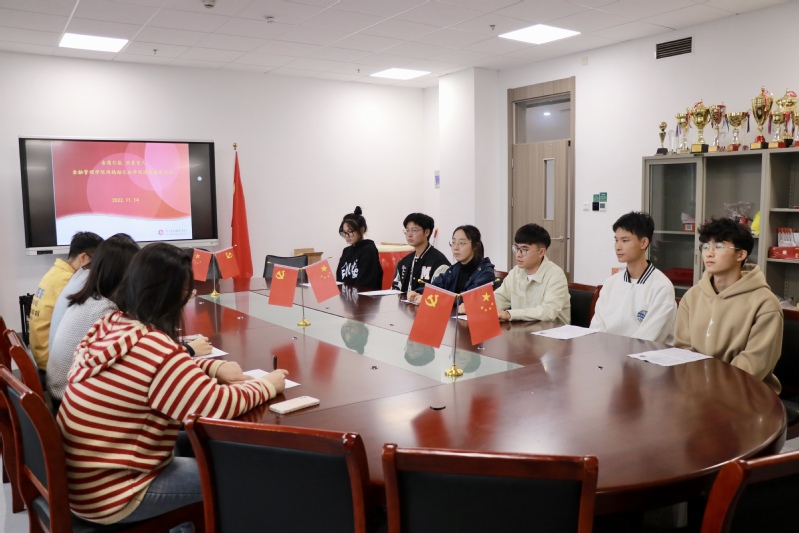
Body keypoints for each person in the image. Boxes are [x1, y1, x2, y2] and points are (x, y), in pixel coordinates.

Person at [57, 243, 288, 525]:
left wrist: (212, 367)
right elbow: (216, 406)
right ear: (173, 296)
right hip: (118, 493)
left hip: (84, 483)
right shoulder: (154, 349)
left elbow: (160, 371)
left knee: (200, 447)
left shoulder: (112, 324)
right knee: (241, 478)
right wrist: (268, 384)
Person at [674, 218, 783, 393]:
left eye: (718, 247)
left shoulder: (765, 303)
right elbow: (682, 348)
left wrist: (710, 385)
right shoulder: (692, 296)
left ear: (741, 255)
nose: (709, 253)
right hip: (697, 388)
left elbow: (754, 364)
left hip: (748, 392)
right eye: (705, 247)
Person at [47, 234, 140, 407]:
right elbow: (130, 359)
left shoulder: (84, 285)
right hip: (70, 399)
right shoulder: (105, 309)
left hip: (61, 390)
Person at [590, 212, 676, 343]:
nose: (618, 247)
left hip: (645, 354)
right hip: (606, 352)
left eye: (625, 240)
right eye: (616, 240)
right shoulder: (611, 283)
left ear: (643, 243)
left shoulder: (662, 287)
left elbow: (646, 339)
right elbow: (596, 327)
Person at [29, 231, 103, 373]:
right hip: (50, 361)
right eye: (97, 262)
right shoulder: (70, 281)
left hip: (40, 353)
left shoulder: (55, 272)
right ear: (83, 257)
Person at [494, 223, 570, 324]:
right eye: (517, 248)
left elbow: (548, 312)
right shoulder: (516, 272)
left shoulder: (555, 275)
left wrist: (509, 314)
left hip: (551, 331)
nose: (518, 254)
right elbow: (499, 298)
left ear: (541, 252)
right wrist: (477, 308)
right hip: (522, 329)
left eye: (524, 250)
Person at [407, 225, 497, 305]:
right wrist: (419, 292)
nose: (455, 247)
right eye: (453, 242)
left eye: (462, 243)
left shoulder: (485, 272)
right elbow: (437, 286)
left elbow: (468, 298)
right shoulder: (454, 269)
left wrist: (433, 298)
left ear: (475, 246)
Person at [391, 213, 450, 293]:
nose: (409, 235)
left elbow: (438, 294)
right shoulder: (404, 262)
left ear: (427, 232)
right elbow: (394, 290)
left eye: (414, 230)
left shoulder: (439, 262)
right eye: (407, 230)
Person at [336, 206, 383, 290]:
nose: (347, 236)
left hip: (364, 297)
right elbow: (339, 279)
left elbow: (365, 284)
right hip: (347, 297)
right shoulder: (346, 251)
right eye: (344, 232)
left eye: (350, 232)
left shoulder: (368, 250)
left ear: (361, 230)